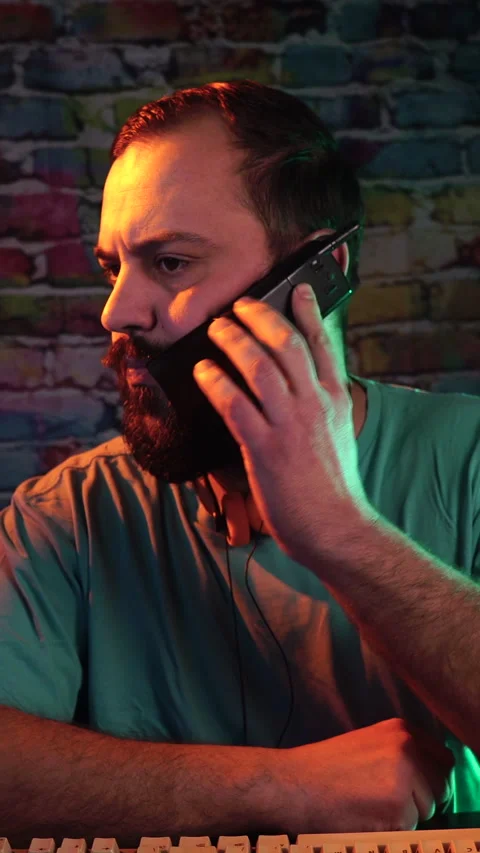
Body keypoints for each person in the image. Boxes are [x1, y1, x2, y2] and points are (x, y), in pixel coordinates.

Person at [1, 79, 479, 845]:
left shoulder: (469, 462)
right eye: (112, 266)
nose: (116, 311)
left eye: (172, 263)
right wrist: (278, 789)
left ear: (314, 277)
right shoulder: (70, 518)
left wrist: (341, 533)